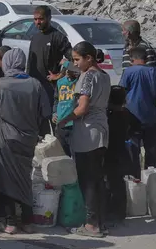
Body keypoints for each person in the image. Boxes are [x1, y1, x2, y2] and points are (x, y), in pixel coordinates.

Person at [0, 47, 52, 234]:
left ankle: (10, 222)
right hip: (29, 138)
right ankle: (28, 221)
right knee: (24, 178)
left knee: (7, 179)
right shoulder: (35, 84)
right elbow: (45, 112)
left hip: (6, 138)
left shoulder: (0, 84)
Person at [58, 42, 111, 238]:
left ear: (89, 58)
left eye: (77, 59)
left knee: (87, 180)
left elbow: (82, 108)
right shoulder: (104, 76)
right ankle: (99, 220)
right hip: (101, 131)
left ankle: (91, 225)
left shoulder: (88, 76)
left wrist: (63, 121)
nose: (75, 64)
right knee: (96, 178)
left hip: (87, 132)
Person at [119, 45, 156, 171]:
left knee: (134, 150)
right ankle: (151, 178)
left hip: (132, 118)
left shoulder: (128, 72)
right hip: (151, 118)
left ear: (131, 59)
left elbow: (122, 93)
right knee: (151, 151)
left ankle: (135, 179)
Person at [104, 86, 141, 226]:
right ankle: (120, 213)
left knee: (108, 182)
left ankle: (109, 212)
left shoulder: (108, 115)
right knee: (118, 183)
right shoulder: (126, 113)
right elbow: (137, 127)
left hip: (109, 152)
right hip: (122, 152)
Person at [27, 6, 71, 102]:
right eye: (35, 19)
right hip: (34, 85)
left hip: (49, 87)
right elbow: (30, 61)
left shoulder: (58, 37)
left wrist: (60, 75)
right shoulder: (35, 36)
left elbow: (73, 59)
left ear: (49, 18)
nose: (37, 22)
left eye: (41, 19)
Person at [53, 59, 80, 156]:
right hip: (60, 123)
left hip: (73, 123)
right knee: (62, 156)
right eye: (66, 69)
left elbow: (78, 69)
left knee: (75, 155)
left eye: (70, 69)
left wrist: (66, 62)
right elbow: (56, 100)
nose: (68, 71)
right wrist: (54, 113)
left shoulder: (78, 81)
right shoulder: (60, 82)